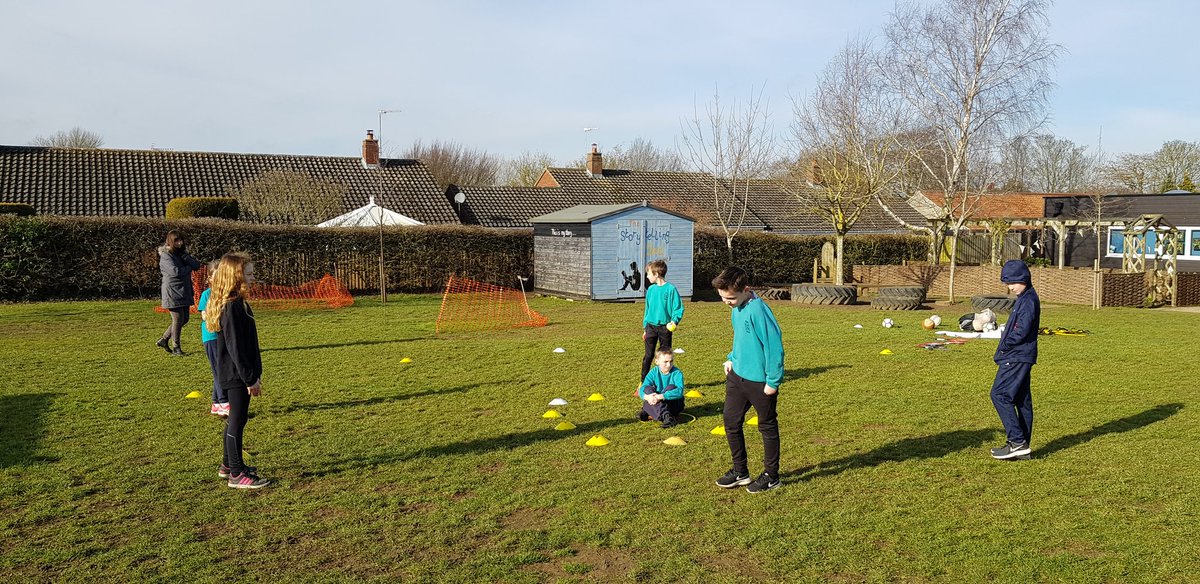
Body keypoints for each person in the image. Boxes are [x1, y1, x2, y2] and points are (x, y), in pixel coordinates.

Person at [712, 266, 784, 494]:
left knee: (767, 427)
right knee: (731, 422)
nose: (726, 302)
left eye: (730, 298)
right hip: (737, 377)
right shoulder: (736, 308)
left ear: (746, 289)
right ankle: (740, 471)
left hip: (760, 383)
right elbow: (740, 338)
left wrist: (773, 381)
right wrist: (731, 358)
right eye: (722, 298)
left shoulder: (758, 311)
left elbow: (774, 348)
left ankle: (771, 476)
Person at [205, 252, 270, 489]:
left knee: (235, 419)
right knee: (237, 420)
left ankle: (227, 466)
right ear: (236, 277)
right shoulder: (232, 307)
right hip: (235, 374)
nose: (253, 278)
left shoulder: (237, 303)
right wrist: (250, 378)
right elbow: (236, 348)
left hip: (238, 372)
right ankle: (236, 473)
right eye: (249, 274)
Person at [989, 260, 1040, 460]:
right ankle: (1022, 447)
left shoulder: (1028, 300)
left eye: (1012, 282)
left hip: (1016, 356)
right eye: (1007, 283)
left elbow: (1021, 330)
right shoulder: (1025, 297)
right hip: (1021, 355)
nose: (1010, 287)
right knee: (1021, 400)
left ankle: (1017, 441)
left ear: (1023, 278)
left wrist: (1006, 343)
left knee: (999, 395)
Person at [156, 230, 202, 356]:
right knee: (177, 319)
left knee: (185, 319)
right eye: (176, 241)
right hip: (172, 291)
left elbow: (197, 266)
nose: (180, 243)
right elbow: (175, 272)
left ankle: (164, 339)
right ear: (171, 241)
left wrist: (186, 258)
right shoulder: (166, 256)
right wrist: (188, 268)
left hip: (185, 290)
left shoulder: (182, 254)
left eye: (181, 240)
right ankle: (176, 347)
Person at [640, 259, 684, 381]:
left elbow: (678, 308)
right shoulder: (651, 290)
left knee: (665, 356)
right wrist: (645, 328)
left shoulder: (671, 289)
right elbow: (647, 310)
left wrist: (674, 321)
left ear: (656, 274)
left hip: (665, 328)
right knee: (648, 356)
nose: (647, 276)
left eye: (648, 273)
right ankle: (643, 383)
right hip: (651, 327)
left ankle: (665, 380)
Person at [196, 260, 228, 417]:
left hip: (224, 336)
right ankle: (223, 402)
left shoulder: (226, 293)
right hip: (211, 337)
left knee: (220, 368)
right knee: (219, 370)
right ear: (210, 278)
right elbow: (204, 315)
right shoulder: (206, 295)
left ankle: (216, 403)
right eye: (217, 276)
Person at [637, 349, 686, 429]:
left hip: (674, 404)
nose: (669, 364)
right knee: (648, 389)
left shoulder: (677, 373)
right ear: (657, 362)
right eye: (665, 362)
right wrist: (647, 397)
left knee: (671, 387)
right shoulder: (653, 372)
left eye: (671, 361)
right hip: (657, 402)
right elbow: (643, 388)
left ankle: (648, 410)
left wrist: (660, 396)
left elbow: (679, 391)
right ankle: (666, 416)